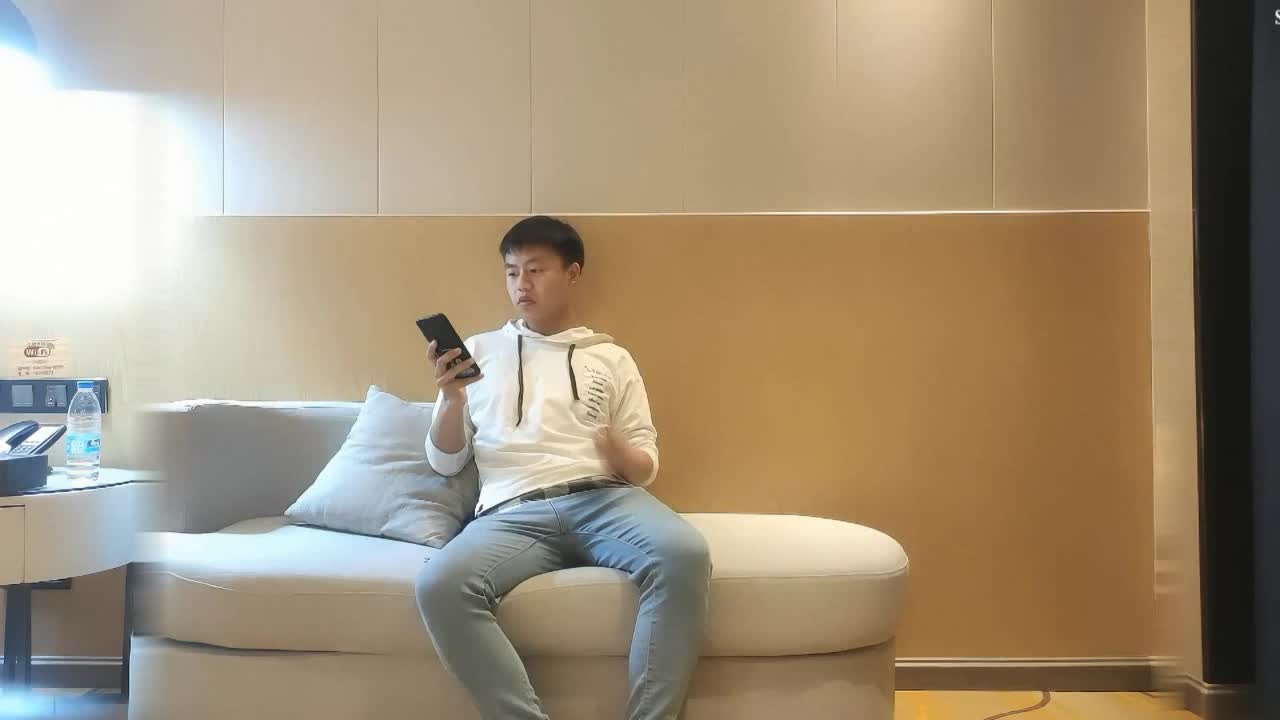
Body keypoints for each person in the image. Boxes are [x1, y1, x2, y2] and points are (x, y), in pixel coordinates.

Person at [416, 216, 711, 720]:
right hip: (511, 512)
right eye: (512, 272)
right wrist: (451, 399)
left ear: (572, 273)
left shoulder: (611, 357)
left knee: (683, 553)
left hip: (604, 499)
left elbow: (646, 463)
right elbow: (445, 461)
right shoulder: (479, 352)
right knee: (438, 585)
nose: (521, 285)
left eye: (536, 270)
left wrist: (619, 453)